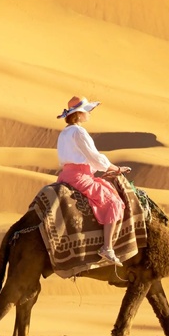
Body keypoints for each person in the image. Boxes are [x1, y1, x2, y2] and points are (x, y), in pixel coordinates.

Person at [56, 95, 135, 266]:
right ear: (79, 114)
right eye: (87, 111)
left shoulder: (64, 133)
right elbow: (94, 156)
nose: (90, 114)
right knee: (114, 202)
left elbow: (78, 158)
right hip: (79, 177)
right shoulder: (78, 131)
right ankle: (107, 247)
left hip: (66, 175)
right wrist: (116, 169)